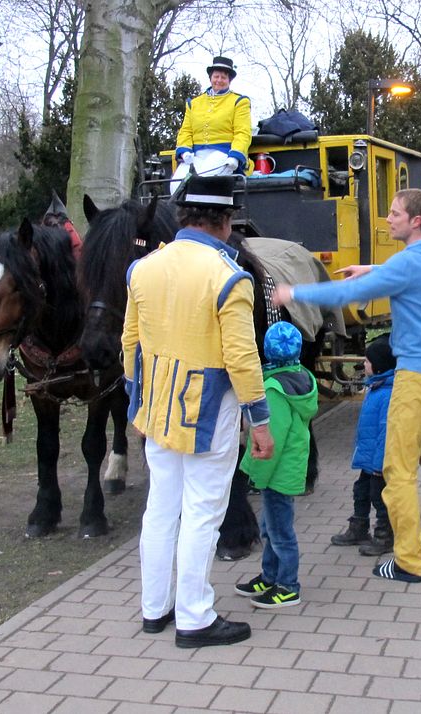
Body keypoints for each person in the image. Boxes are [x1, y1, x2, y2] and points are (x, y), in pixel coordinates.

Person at [274, 188, 421, 584]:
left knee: (398, 468)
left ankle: (408, 561)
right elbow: (410, 272)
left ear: (416, 222)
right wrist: (374, 268)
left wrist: (294, 291)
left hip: (418, 376)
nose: (388, 218)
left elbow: (346, 295)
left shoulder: (409, 264)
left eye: (394, 214)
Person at [121, 174, 274, 648]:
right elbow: (242, 358)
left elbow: (131, 343)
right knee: (204, 512)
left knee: (161, 509)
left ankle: (155, 608)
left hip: (157, 409)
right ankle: (195, 617)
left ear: (184, 217)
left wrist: (135, 402)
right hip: (210, 411)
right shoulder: (230, 277)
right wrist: (260, 420)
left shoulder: (143, 268)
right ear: (225, 222)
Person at [235, 321, 318, 609]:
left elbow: (273, 439)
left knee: (280, 532)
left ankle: (288, 586)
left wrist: (255, 474)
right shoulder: (302, 377)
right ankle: (270, 576)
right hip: (288, 468)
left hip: (276, 471)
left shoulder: (273, 389)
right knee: (271, 526)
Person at [331, 333, 396, 557]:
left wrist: (379, 464)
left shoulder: (387, 394)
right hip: (368, 457)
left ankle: (385, 535)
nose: (363, 364)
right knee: (360, 491)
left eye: (367, 361)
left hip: (378, 461)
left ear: (378, 367)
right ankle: (359, 527)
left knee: (379, 497)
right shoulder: (375, 387)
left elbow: (385, 433)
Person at [173, 56, 252, 184]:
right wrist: (185, 151)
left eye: (223, 77)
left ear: (229, 80)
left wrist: (235, 156)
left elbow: (243, 133)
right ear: (211, 77)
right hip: (196, 155)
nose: (219, 80)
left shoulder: (239, 102)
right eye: (216, 76)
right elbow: (186, 131)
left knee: (204, 181)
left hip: (223, 153)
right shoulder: (194, 103)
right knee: (176, 183)